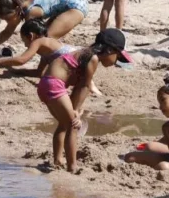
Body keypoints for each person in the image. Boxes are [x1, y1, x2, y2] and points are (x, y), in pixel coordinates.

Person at [37, 29, 129, 172]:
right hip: (54, 85)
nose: (116, 61)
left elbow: (80, 86)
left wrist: (75, 108)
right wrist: (76, 112)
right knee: (74, 125)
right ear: (110, 50)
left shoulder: (85, 54)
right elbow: (85, 86)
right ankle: (72, 167)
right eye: (117, 57)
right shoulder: (93, 59)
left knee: (64, 124)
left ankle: (57, 160)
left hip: (45, 84)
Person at [0, 0, 90, 51]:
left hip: (77, 4)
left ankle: (69, 55)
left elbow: (34, 39)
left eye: (8, 19)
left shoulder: (31, 12)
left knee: (45, 40)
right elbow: (8, 31)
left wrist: (24, 55)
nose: (8, 22)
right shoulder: (20, 2)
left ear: (17, 9)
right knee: (43, 38)